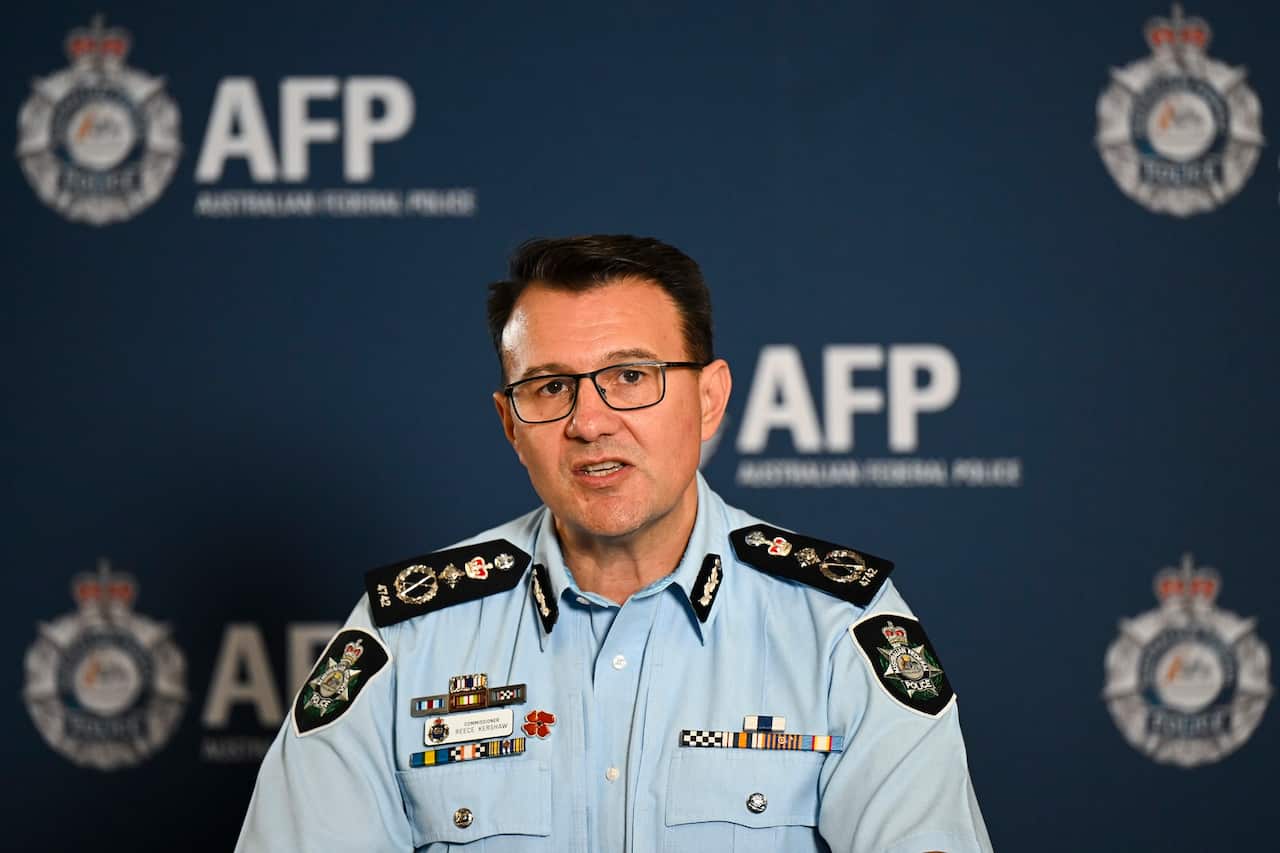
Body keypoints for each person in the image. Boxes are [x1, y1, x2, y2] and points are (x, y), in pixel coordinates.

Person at [236, 234, 993, 853]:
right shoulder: (406, 631)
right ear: (510, 424)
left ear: (710, 399)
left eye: (631, 376)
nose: (590, 421)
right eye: (549, 387)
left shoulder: (835, 624)